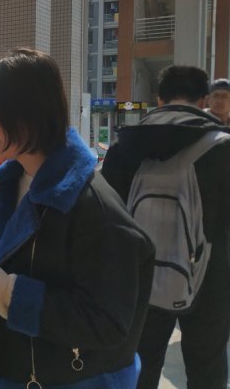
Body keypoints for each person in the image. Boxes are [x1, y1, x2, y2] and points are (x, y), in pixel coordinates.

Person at [0, 48, 154, 388]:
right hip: (5, 369)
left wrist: (7, 292)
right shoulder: (6, 185)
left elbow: (108, 321)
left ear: (27, 115)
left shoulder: (94, 206)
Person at [102, 65, 230, 389]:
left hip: (140, 280)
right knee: (207, 370)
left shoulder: (123, 148)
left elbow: (105, 219)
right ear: (203, 101)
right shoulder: (223, 148)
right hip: (211, 280)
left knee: (139, 368)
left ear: (159, 99)